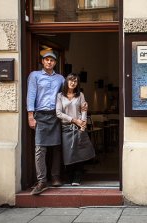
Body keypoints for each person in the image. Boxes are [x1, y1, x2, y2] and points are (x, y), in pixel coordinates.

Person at [27, 52, 65, 195]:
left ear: (55, 63)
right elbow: (31, 95)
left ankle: (55, 177)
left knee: (56, 148)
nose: (49, 62)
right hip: (41, 116)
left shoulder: (60, 78)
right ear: (42, 61)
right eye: (47, 60)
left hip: (55, 116)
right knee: (40, 149)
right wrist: (31, 115)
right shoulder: (35, 76)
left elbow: (66, 95)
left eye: (52, 60)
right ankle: (42, 181)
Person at [56, 73, 95, 186]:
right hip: (66, 128)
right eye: (71, 80)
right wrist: (73, 120)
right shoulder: (60, 96)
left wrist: (82, 122)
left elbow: (83, 110)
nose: (73, 83)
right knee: (68, 154)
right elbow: (58, 113)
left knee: (79, 153)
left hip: (79, 128)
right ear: (66, 82)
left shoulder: (80, 95)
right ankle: (70, 175)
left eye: (75, 81)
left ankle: (77, 177)